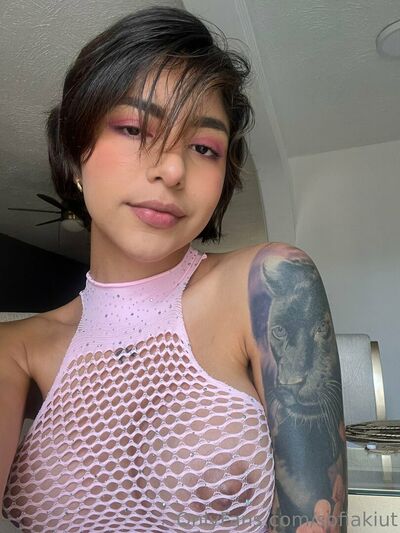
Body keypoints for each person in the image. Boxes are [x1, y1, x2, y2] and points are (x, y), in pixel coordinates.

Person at [0, 6, 347, 532]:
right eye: (135, 128)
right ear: (74, 154)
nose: (172, 169)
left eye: (204, 147)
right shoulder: (16, 348)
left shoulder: (265, 284)